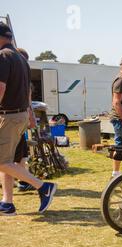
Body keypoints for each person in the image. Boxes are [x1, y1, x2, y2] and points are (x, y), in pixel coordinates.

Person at [0, 22, 57, 216]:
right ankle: (7, 203)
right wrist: (30, 116)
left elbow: (0, 88)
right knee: (8, 161)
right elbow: (27, 93)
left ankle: (43, 187)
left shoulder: (3, 56)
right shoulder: (20, 58)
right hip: (20, 115)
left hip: (9, 116)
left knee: (2, 161)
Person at [15, 48, 37, 192]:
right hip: (15, 121)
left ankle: (22, 181)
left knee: (20, 153)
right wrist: (31, 117)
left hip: (14, 121)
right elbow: (27, 102)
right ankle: (24, 181)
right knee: (17, 154)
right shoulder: (22, 79)